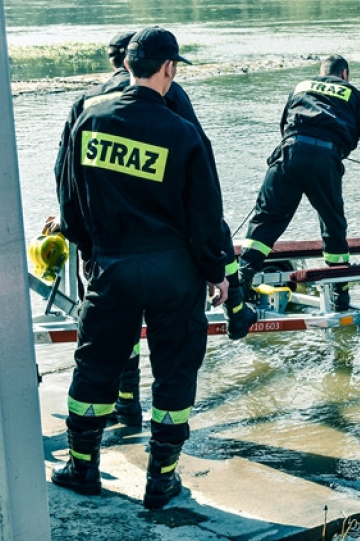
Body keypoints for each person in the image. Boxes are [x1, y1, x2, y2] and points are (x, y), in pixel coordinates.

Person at [52, 27, 254, 509]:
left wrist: (90, 250)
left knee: (95, 367)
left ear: (126, 64)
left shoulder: (89, 118)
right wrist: (218, 275)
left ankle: (83, 467)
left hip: (112, 266)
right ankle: (160, 480)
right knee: (174, 373)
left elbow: (69, 197)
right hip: (174, 273)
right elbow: (205, 216)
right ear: (168, 68)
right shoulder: (181, 132)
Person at [237, 55, 360, 311]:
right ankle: (340, 294)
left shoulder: (301, 86)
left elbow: (284, 124)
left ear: (321, 72)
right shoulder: (351, 93)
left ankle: (241, 283)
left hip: (289, 152)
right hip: (325, 159)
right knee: (333, 226)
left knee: (266, 220)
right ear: (345, 74)